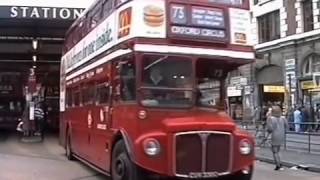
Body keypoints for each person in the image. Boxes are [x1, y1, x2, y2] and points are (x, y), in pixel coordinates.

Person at [266, 105, 288, 171]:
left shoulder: (270, 118)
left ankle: (278, 165)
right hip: (281, 135)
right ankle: (280, 163)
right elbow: (287, 126)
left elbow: (270, 129)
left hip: (274, 135)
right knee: (278, 150)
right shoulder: (283, 118)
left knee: (275, 151)